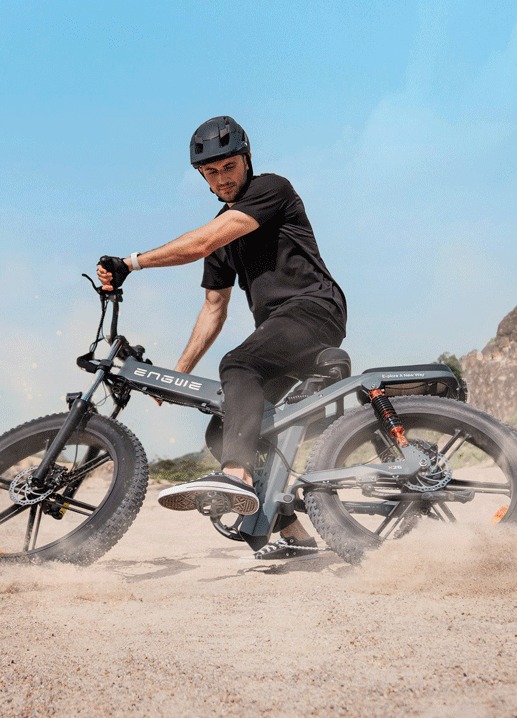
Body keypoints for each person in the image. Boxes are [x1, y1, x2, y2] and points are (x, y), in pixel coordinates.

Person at [97, 116, 347, 559]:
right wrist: (178, 374)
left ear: (246, 160)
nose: (221, 178)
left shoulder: (271, 189)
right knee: (221, 426)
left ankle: (236, 477)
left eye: (229, 167)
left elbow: (200, 243)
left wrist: (131, 263)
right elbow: (214, 307)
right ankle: (292, 532)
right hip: (280, 331)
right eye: (210, 172)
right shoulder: (222, 235)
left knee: (238, 364)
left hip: (313, 309)